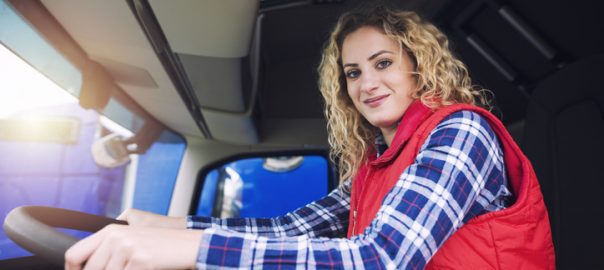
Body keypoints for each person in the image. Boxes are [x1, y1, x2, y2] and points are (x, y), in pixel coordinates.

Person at [65, 5, 555, 270]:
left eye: (384, 64)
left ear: (418, 67)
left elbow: (382, 258)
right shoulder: (378, 164)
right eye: (353, 72)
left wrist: (193, 253)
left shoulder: (459, 132)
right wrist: (168, 229)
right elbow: (288, 231)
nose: (367, 83)